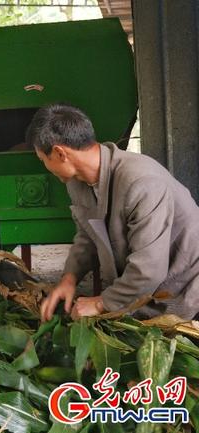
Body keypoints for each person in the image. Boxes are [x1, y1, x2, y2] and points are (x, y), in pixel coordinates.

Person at [26, 104, 199, 322]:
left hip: (185, 288)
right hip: (146, 293)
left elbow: (149, 270)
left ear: (60, 153)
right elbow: (87, 236)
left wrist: (101, 303)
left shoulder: (142, 182)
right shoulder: (77, 182)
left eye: (43, 159)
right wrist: (69, 278)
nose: (46, 167)